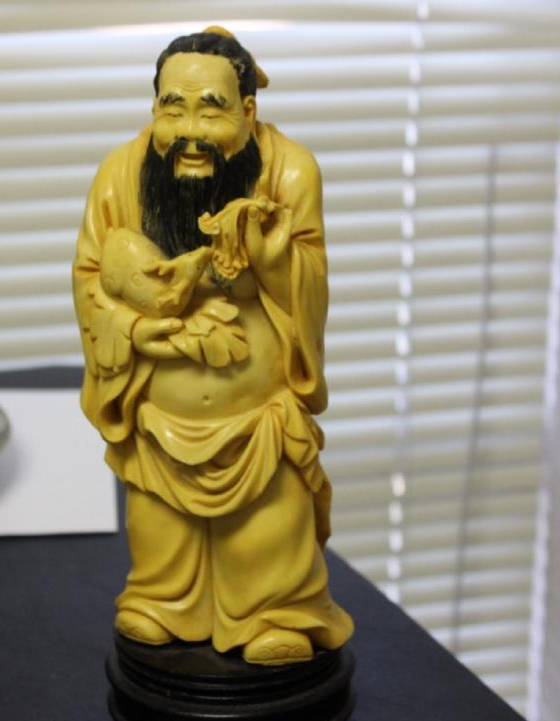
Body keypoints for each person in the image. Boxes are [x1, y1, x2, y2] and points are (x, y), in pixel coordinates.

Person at [73, 27, 353, 666]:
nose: (190, 131)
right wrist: (140, 330)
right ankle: (165, 600)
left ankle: (274, 610)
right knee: (159, 538)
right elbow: (89, 274)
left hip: (256, 418)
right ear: (154, 107)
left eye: (212, 109)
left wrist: (269, 252)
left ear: (248, 111)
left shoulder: (290, 170)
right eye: (173, 108)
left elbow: (311, 283)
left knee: (266, 531)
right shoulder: (120, 174)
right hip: (160, 416)